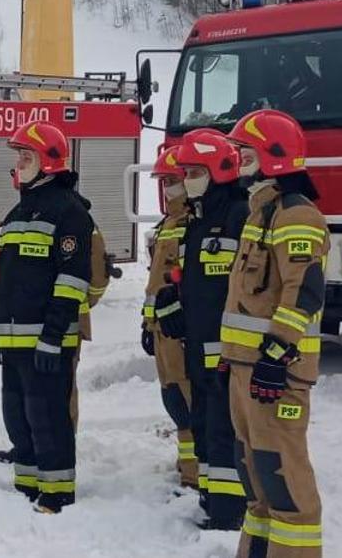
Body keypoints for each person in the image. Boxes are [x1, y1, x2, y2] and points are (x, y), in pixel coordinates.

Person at [223, 110, 327, 557]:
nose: (239, 161)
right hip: (248, 371)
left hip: (276, 375)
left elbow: (303, 292)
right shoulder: (260, 214)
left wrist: (275, 355)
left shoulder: (295, 216)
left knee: (284, 481)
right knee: (256, 477)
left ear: (274, 157)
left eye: (246, 153)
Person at [0, 121, 95, 514]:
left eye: (25, 156)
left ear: (49, 161)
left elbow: (72, 280)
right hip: (13, 341)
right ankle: (28, 483)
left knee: (48, 418)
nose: (18, 163)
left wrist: (52, 336)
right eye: (17, 156)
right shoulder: (17, 213)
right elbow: (1, 277)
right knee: (18, 416)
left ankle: (57, 491)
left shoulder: (69, 212)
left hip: (47, 342)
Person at [165, 128, 251, 530]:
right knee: (202, 426)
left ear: (219, 169)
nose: (187, 180)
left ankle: (228, 514)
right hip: (199, 347)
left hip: (230, 352)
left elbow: (249, 287)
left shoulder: (240, 215)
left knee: (224, 432)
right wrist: (175, 306)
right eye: (186, 172)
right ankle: (211, 496)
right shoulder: (195, 222)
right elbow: (196, 282)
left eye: (195, 170)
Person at [142, 142, 199, 489]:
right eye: (163, 181)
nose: (166, 188)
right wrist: (147, 322)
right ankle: (186, 464)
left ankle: (194, 474)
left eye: (172, 180)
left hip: (181, 332)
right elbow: (155, 282)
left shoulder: (193, 223)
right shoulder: (169, 224)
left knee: (187, 401)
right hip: (162, 330)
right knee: (174, 399)